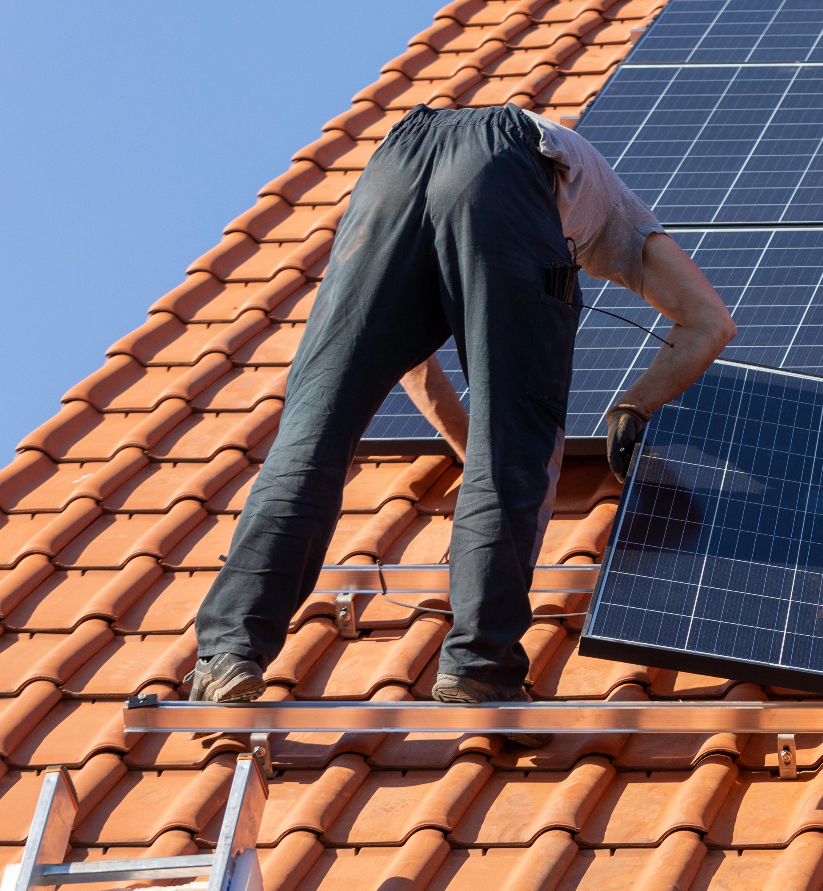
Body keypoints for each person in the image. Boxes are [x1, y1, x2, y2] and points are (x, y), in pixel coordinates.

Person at [187, 103, 735, 722]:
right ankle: (480, 664)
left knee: (312, 431)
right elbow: (708, 323)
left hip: (394, 160)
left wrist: (465, 445)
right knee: (517, 440)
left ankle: (228, 653)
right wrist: (634, 405)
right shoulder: (624, 220)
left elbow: (409, 358)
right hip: (506, 163)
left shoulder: (566, 182)